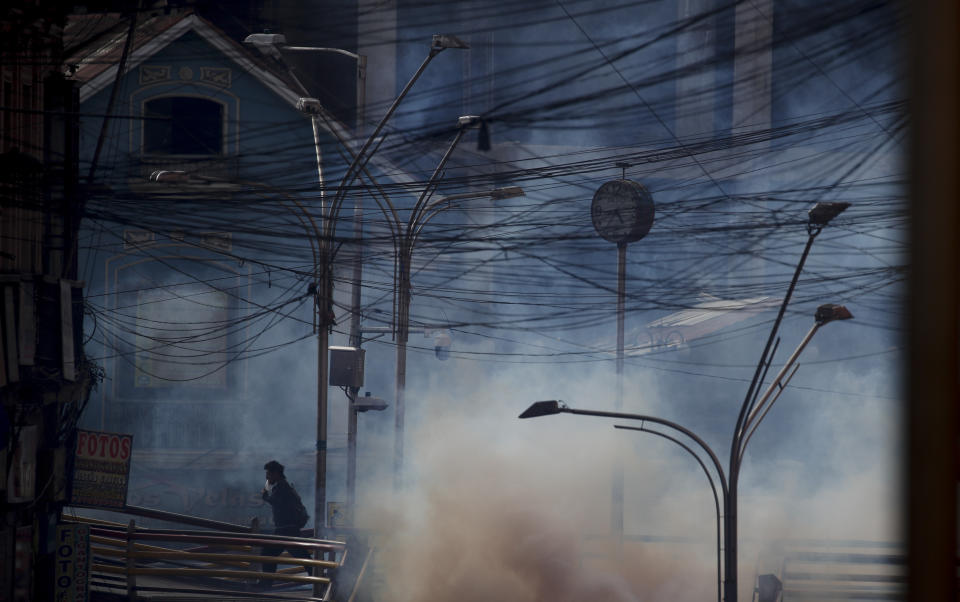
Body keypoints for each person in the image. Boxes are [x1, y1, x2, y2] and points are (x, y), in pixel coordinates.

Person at [259, 460, 312, 584]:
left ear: (276, 473)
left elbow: (276, 501)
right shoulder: (283, 486)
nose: (267, 477)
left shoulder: (282, 486)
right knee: (300, 556)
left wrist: (265, 496)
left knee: (269, 553)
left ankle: (266, 584)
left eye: (269, 474)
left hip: (286, 530)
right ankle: (318, 577)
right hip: (286, 529)